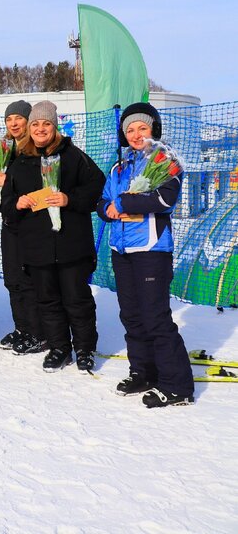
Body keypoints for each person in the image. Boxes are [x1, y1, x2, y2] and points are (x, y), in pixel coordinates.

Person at [97, 102, 194, 407]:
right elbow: (102, 202)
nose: (136, 134)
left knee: (155, 318)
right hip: (122, 249)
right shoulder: (119, 167)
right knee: (132, 316)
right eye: (130, 129)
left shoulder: (166, 163)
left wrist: (123, 204)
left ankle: (177, 386)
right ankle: (143, 371)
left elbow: (164, 200)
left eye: (142, 127)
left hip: (151, 250)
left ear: (154, 130)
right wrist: (109, 210)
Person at [0, 100, 106, 373]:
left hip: (72, 244)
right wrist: (19, 204)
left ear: (54, 126)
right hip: (37, 247)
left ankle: (84, 348)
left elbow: (97, 184)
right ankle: (59, 346)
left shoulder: (73, 155)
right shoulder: (21, 161)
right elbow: (6, 203)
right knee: (47, 299)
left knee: (77, 298)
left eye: (46, 123)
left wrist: (70, 198)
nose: (40, 129)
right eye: (35, 124)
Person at [0, 100, 45, 355]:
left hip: (30, 223)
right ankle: (22, 328)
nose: (13, 123)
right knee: (11, 277)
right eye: (9, 119)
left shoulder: (35, 149)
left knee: (27, 279)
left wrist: (9, 183)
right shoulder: (7, 149)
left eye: (18, 118)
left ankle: (37, 332)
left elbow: (40, 185)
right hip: (10, 219)